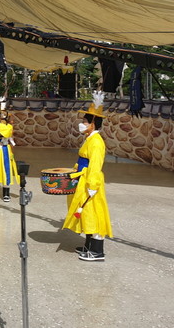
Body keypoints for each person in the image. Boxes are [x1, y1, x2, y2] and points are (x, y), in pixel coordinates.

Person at [63, 91, 113, 261]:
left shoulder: (96, 142)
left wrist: (92, 185)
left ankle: (97, 251)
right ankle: (89, 245)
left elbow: (95, 165)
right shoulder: (89, 138)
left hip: (91, 180)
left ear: (93, 124)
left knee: (93, 212)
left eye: (85, 122)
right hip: (83, 177)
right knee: (85, 212)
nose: (82, 124)